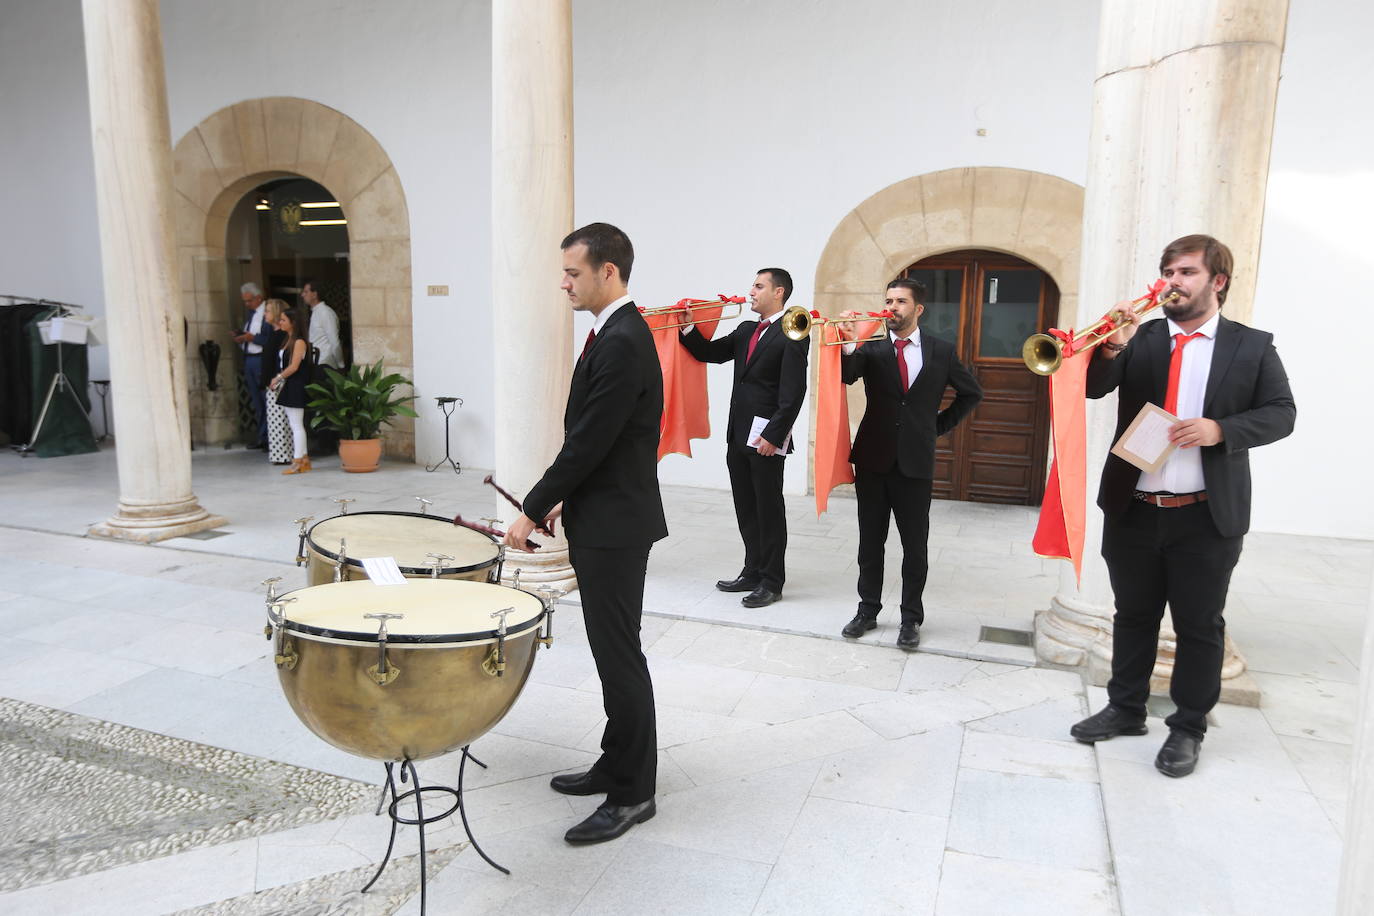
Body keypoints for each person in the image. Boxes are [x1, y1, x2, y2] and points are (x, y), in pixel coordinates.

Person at [1069, 235, 1295, 778]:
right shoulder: (1143, 337)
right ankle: (1126, 709)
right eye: (1168, 271)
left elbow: (1282, 413)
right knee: (1134, 616)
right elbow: (1094, 388)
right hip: (1135, 506)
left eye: (1187, 272)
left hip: (1205, 514)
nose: (1173, 281)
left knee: (1198, 625)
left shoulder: (1252, 345)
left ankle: (1188, 726)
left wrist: (1222, 429)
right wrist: (1112, 343)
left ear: (1218, 281)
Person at [505, 222, 666, 845]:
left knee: (620, 653)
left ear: (609, 272)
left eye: (574, 273)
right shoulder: (613, 332)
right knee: (609, 649)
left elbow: (589, 442)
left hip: (617, 525)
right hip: (605, 513)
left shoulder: (624, 338)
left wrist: (532, 505)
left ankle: (633, 793)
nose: (564, 283)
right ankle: (613, 761)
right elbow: (598, 443)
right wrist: (561, 502)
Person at [836, 279, 982, 650]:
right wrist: (850, 341)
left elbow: (971, 393)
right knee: (871, 543)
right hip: (873, 459)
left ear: (918, 309)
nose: (893, 307)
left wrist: (935, 428)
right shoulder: (871, 347)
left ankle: (910, 619)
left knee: (915, 547)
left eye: (901, 301)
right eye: (888, 300)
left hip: (916, 463)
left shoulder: (942, 351)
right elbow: (847, 374)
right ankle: (867, 611)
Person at [678, 268, 808, 608]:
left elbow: (794, 392)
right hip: (738, 434)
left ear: (778, 293)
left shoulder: (793, 330)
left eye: (758, 286)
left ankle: (772, 580)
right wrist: (688, 327)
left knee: (769, 509)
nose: (750, 292)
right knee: (746, 507)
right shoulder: (746, 329)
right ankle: (752, 570)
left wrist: (774, 434)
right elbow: (710, 353)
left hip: (766, 437)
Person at [269, 304, 312, 475]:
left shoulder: (299, 341)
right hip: (289, 384)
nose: (280, 322)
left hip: (295, 384)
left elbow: (294, 366)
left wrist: (278, 377)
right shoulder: (288, 340)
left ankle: (298, 460)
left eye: (283, 320)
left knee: (296, 424)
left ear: (293, 322)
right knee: (294, 423)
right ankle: (304, 458)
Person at [301, 278, 342, 455]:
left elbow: (334, 340)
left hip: (325, 364)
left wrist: (340, 365)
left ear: (315, 293)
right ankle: (322, 442)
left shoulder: (325, 312)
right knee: (318, 405)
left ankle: (327, 444)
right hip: (316, 364)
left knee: (325, 406)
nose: (303, 295)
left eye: (306, 291)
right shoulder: (314, 313)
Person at [231, 282, 273, 449]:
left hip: (260, 359)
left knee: (265, 399)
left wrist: (251, 338)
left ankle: (270, 437)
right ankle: (262, 436)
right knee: (256, 400)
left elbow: (268, 339)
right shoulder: (251, 315)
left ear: (258, 298)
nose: (247, 304)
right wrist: (241, 337)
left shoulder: (266, 314)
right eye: (245, 301)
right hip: (249, 358)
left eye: (249, 301)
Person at [261, 299, 292, 466]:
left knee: (280, 419)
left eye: (268, 311)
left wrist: (271, 379)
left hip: (277, 381)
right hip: (273, 381)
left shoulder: (280, 336)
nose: (265, 314)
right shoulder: (275, 335)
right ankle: (281, 453)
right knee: (277, 419)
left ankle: (283, 454)